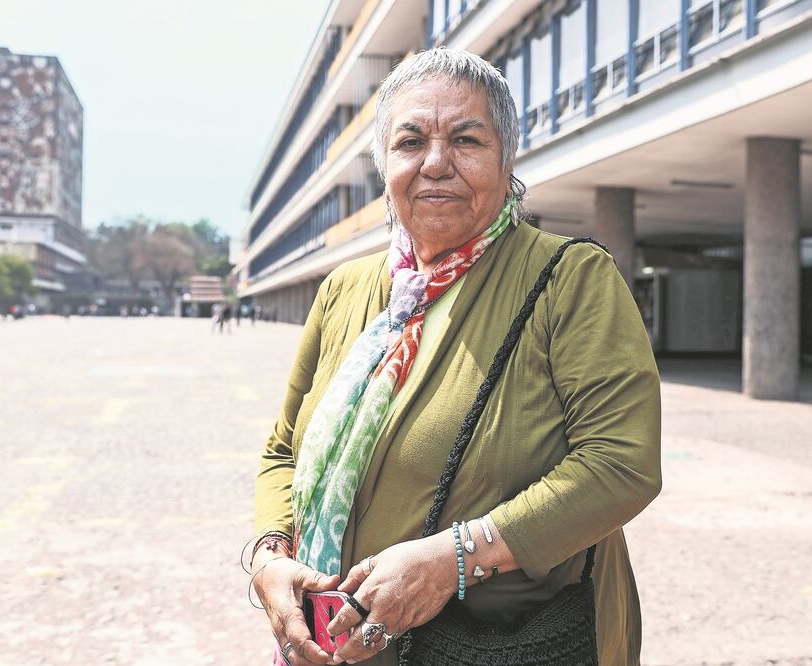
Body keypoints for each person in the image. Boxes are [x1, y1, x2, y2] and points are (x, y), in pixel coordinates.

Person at [250, 49, 661, 666]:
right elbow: (284, 449)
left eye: (466, 140)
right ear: (384, 165)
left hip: (497, 644)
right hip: (335, 646)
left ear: (506, 159)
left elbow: (621, 463)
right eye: (410, 141)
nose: (436, 163)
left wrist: (457, 559)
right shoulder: (345, 289)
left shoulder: (569, 278)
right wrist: (269, 555)